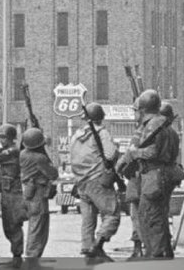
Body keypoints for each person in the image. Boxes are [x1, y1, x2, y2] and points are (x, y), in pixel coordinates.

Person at [124, 90, 179, 259]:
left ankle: (155, 256)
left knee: (150, 219)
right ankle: (162, 253)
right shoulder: (169, 129)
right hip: (162, 177)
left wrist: (135, 154)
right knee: (159, 218)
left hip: (153, 178)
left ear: (143, 109)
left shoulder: (154, 125)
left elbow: (153, 152)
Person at [69, 104, 121, 264]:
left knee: (88, 218)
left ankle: (87, 249)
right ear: (101, 117)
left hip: (81, 182)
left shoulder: (76, 136)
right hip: (98, 179)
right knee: (112, 213)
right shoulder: (102, 133)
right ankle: (98, 245)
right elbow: (111, 154)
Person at [0, 124, 27, 267]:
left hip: (14, 192)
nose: (1, 140)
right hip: (6, 191)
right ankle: (16, 252)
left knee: (14, 223)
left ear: (11, 138)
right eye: (0, 137)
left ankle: (17, 255)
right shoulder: (7, 150)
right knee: (7, 224)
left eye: (3, 137)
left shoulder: (13, 151)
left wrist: (2, 150)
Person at [18, 126, 58, 266]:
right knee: (38, 227)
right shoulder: (40, 158)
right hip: (38, 194)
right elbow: (53, 174)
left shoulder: (22, 154)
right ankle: (32, 258)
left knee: (35, 226)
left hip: (28, 192)